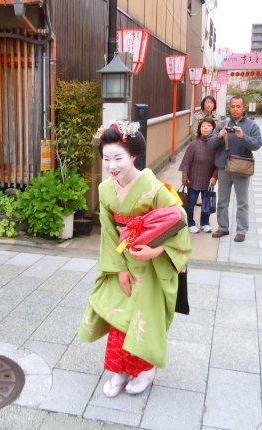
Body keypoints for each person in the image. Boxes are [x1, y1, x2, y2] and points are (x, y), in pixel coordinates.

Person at [78, 120, 191, 398]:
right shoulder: (106, 190)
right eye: (106, 158)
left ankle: (144, 370)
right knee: (118, 319)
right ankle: (120, 370)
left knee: (142, 322)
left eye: (118, 158)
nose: (111, 165)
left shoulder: (153, 188)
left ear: (133, 156)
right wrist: (118, 269)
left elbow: (180, 220)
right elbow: (108, 232)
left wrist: (157, 250)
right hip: (123, 261)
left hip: (151, 266)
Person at [207, 96, 262, 242]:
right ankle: (223, 227)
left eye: (238, 106)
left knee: (242, 202)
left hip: (242, 168)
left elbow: (257, 145)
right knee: (222, 201)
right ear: (229, 107)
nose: (235, 109)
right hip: (224, 168)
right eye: (233, 106)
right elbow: (210, 144)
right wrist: (218, 136)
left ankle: (241, 230)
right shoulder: (222, 124)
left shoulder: (251, 125)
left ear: (244, 107)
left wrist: (243, 137)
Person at [179, 118, 218, 234]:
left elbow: (219, 163)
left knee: (206, 204)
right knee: (190, 204)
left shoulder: (216, 146)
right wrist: (184, 177)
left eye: (209, 126)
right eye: (203, 126)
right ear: (199, 129)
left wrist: (215, 176)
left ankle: (205, 223)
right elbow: (186, 162)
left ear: (213, 129)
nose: (205, 128)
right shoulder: (194, 145)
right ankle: (190, 223)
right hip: (194, 180)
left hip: (208, 180)